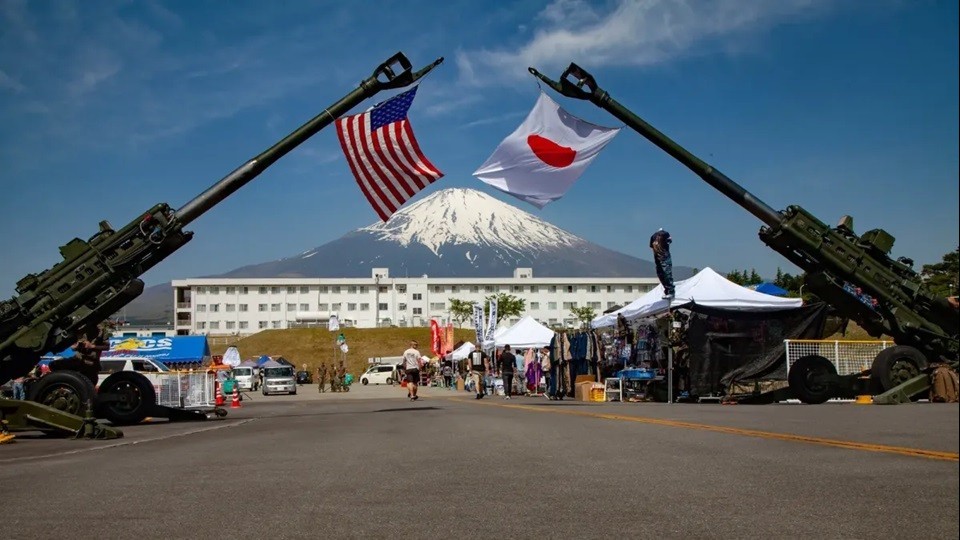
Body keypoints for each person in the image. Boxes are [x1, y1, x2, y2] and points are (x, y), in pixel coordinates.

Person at [650, 228, 675, 299]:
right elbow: (652, 246)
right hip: (659, 258)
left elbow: (669, 241)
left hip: (664, 258)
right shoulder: (653, 236)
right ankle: (668, 290)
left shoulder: (665, 234)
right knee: (662, 274)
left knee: (666, 273)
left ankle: (670, 291)